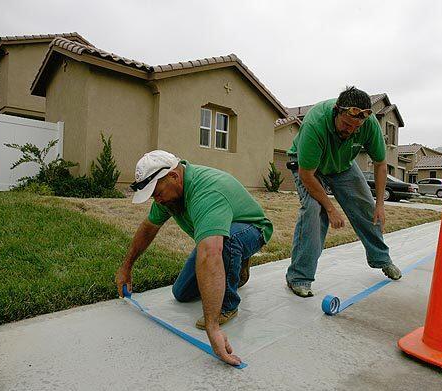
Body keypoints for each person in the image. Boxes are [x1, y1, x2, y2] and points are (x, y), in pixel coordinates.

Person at [115, 150, 273, 366]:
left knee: (223, 245)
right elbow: (148, 228)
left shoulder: (207, 192)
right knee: (181, 293)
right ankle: (235, 263)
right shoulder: (168, 197)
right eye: (152, 196)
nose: (156, 200)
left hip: (252, 229)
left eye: (157, 193)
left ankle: (229, 303)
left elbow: (210, 254)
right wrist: (126, 267)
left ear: (174, 176)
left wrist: (212, 327)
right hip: (220, 234)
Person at [285, 86, 402, 298]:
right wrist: (330, 209)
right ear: (337, 111)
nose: (350, 130)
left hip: (342, 165)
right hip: (310, 168)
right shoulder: (316, 123)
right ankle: (299, 277)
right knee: (313, 211)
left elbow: (381, 164)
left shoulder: (369, 126)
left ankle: (381, 259)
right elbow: (307, 175)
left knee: (366, 208)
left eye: (356, 127)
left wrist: (380, 205)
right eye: (347, 124)